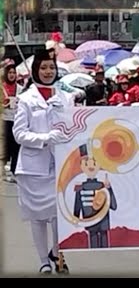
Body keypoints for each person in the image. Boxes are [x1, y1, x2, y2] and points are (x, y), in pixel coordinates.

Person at [13, 49, 74, 275]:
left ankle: (57, 253)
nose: (48, 72)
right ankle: (43, 261)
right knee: (37, 218)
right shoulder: (27, 99)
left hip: (60, 164)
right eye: (44, 67)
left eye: (51, 67)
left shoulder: (64, 96)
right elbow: (19, 134)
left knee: (60, 215)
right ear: (36, 70)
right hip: (32, 168)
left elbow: (74, 125)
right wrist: (44, 138)